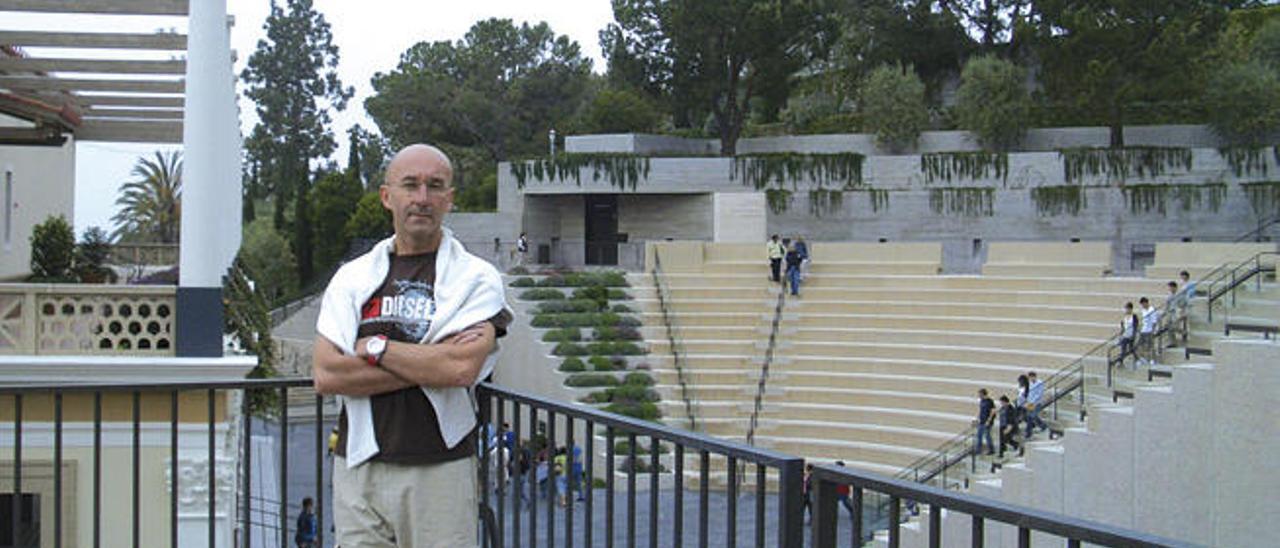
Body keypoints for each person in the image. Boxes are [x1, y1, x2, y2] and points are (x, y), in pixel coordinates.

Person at [312, 144, 514, 548]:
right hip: (358, 470)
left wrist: (374, 348)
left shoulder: (476, 278)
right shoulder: (352, 277)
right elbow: (327, 373)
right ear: (388, 197)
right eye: (410, 185)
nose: (422, 198)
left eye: (434, 186)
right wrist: (429, 361)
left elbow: (459, 369)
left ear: (449, 200)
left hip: (439, 469)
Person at [1023, 371, 1047, 438]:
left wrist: (1032, 401)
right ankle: (1043, 426)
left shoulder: (1040, 383)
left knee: (1031, 416)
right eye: (1029, 378)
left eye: (1031, 377)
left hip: (1037, 403)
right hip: (1030, 403)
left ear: (1034, 377)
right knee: (1031, 416)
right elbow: (1029, 393)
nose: (1030, 379)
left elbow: (1039, 394)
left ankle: (1028, 433)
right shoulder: (1029, 383)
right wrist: (1027, 401)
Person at [1138, 296, 1160, 366]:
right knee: (1141, 345)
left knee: (1150, 346)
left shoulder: (1151, 310)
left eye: (1143, 304)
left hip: (1149, 330)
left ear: (1146, 303)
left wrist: (1153, 331)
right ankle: (1143, 359)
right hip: (1143, 330)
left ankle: (1153, 359)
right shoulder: (1143, 310)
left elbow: (1154, 322)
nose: (1142, 306)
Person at [974, 389, 995, 456]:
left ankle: (991, 449)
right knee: (979, 435)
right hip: (982, 421)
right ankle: (978, 450)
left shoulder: (990, 401)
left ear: (983, 394)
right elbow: (980, 410)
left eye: (980, 394)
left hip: (987, 421)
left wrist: (989, 420)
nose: (979, 396)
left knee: (987, 435)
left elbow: (993, 411)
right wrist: (977, 419)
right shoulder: (982, 401)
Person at [1118, 302, 1139, 369]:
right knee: (1124, 348)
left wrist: (1133, 335)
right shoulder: (1124, 317)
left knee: (1131, 349)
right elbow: (1123, 327)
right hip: (1125, 335)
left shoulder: (1134, 317)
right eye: (1125, 308)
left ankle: (1136, 359)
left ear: (1130, 309)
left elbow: (1135, 326)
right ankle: (1121, 362)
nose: (1126, 310)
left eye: (1127, 308)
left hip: (1131, 335)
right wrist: (1121, 335)